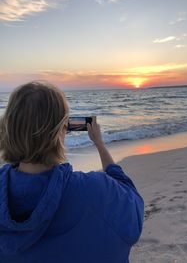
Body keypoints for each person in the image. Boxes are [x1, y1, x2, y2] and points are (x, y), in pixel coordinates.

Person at [0, 81, 144, 263]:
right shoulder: (96, 190)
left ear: (8, 128)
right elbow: (133, 210)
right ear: (61, 131)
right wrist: (99, 143)